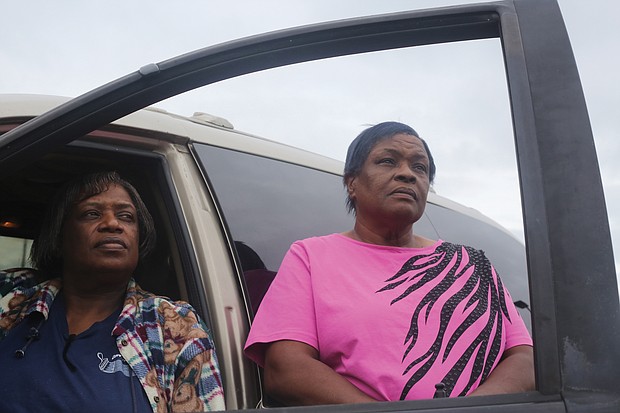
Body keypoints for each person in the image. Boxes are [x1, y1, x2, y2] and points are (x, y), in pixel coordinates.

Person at [244, 121, 534, 405]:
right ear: (352, 183)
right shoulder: (310, 256)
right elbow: (286, 369)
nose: (408, 174)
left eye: (420, 167)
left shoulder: (471, 264)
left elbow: (524, 358)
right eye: (388, 161)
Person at [0, 171, 225, 412]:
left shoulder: (175, 327)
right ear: (59, 236)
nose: (112, 224)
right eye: (92, 214)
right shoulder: (11, 296)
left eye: (126, 216)